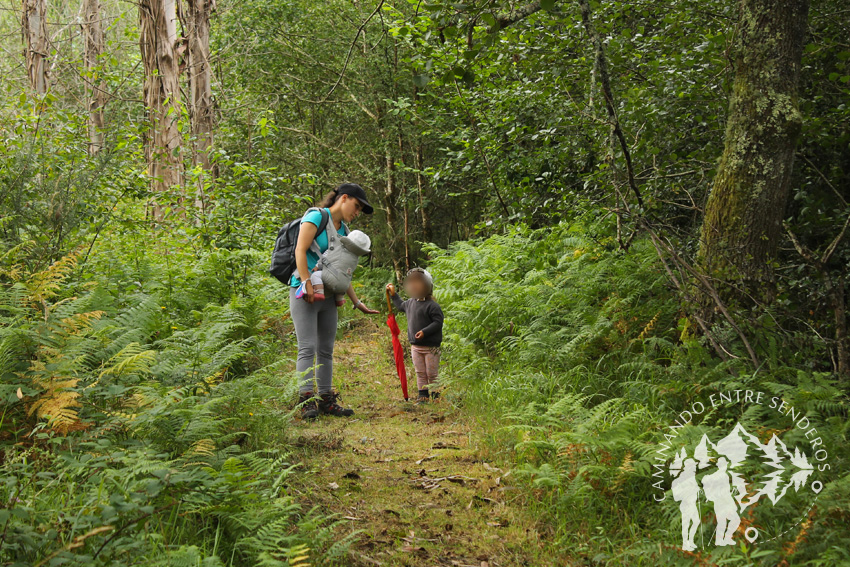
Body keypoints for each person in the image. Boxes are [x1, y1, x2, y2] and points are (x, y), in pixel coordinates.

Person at [292, 183, 379, 419]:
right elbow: (300, 251)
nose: (357, 212)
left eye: (360, 209)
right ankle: (306, 400)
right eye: (357, 206)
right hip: (305, 292)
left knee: (326, 350)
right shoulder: (316, 216)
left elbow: (342, 272)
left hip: (329, 295)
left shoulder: (345, 231)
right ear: (343, 198)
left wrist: (356, 301)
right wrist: (306, 282)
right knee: (307, 348)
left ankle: (326, 400)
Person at [385, 268, 444, 404]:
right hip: (415, 347)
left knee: (431, 373)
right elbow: (400, 305)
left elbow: (438, 322)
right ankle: (422, 396)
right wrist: (394, 295)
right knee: (420, 372)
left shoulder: (432, 306)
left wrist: (425, 332)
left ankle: (436, 395)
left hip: (431, 348)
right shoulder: (410, 303)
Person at [298, 230, 371, 306]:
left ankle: (319, 292)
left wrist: (317, 266)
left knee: (315, 275)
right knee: (341, 281)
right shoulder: (355, 259)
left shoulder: (338, 248)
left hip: (331, 278)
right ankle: (339, 299)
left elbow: (325, 257)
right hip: (344, 285)